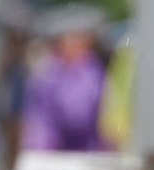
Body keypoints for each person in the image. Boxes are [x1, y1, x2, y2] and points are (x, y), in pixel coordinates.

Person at [22, 24, 109, 152]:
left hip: (89, 144)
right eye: (71, 41)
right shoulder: (49, 73)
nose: (76, 45)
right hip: (56, 144)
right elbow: (42, 114)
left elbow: (103, 106)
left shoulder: (95, 70)